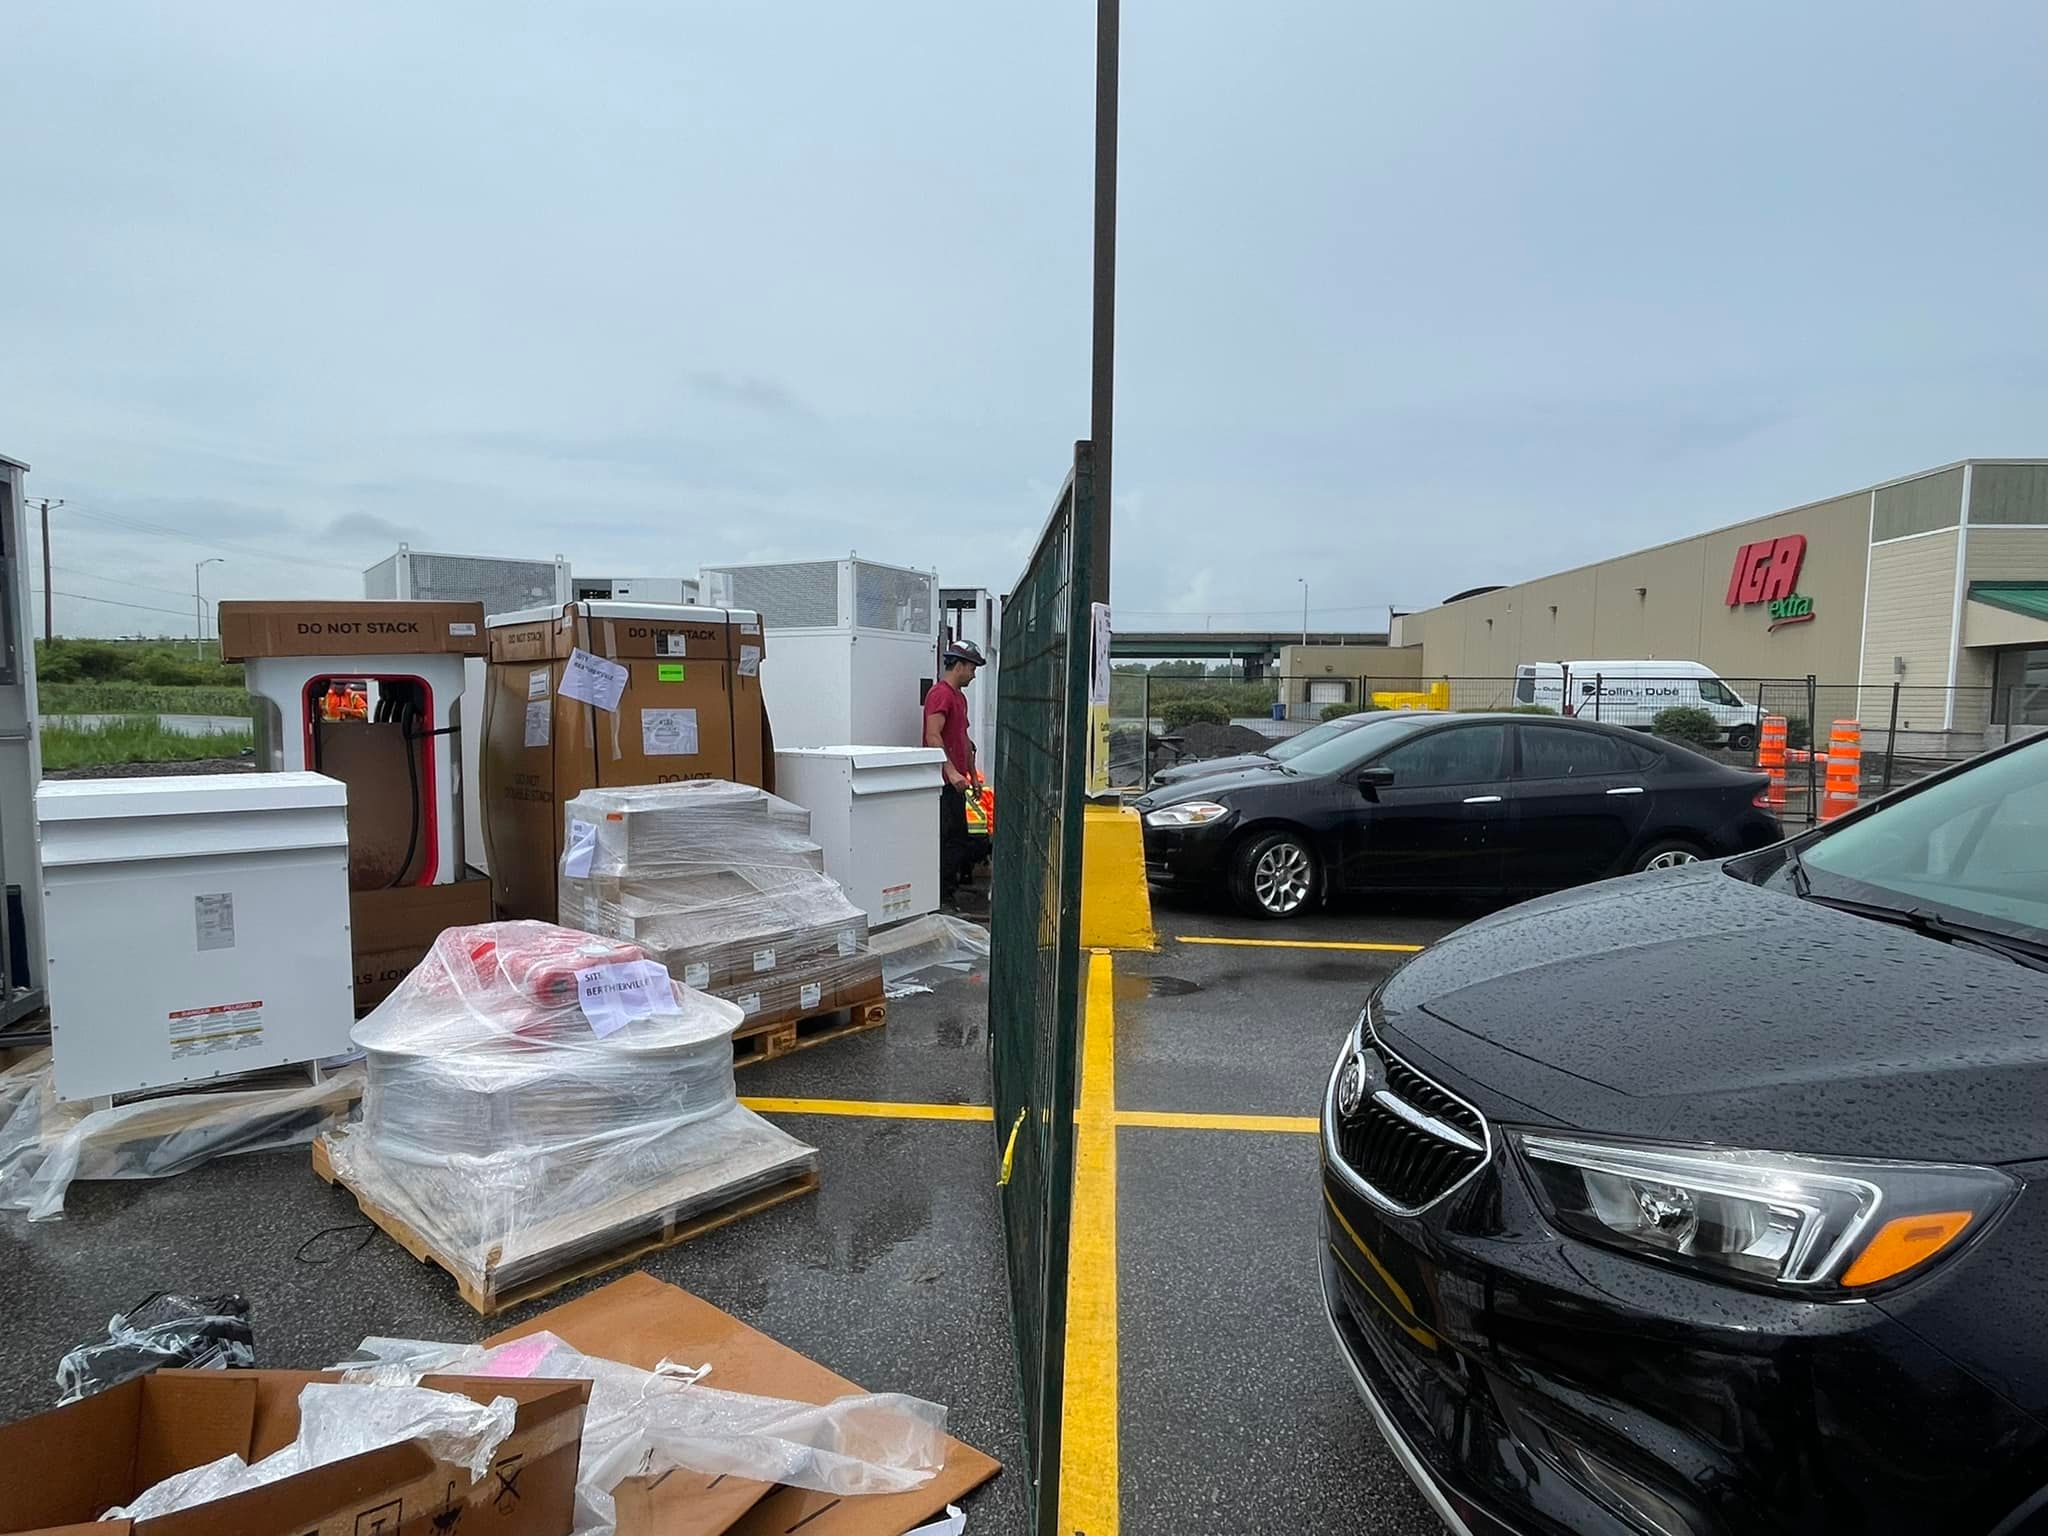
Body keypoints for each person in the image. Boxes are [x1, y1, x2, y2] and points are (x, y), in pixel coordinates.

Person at [924, 640, 986, 909]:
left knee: (959, 838)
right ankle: (942, 898)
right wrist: (950, 772)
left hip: (957, 781)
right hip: (943, 782)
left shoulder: (959, 698)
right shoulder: (941, 695)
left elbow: (963, 738)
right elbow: (932, 735)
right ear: (959, 665)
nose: (973, 674)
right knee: (950, 839)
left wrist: (971, 774)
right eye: (972, 668)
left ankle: (948, 892)